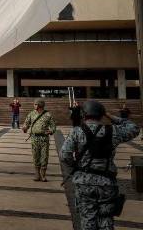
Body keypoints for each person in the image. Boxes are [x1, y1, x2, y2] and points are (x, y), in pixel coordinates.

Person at [60, 100, 140, 230]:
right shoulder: (113, 130)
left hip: (84, 182)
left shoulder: (77, 131)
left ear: (83, 114)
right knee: (106, 218)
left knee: (87, 218)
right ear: (101, 114)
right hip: (107, 182)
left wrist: (76, 165)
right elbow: (134, 128)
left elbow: (64, 155)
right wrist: (110, 116)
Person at [22, 98, 56, 182]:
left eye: (35, 104)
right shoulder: (31, 114)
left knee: (44, 157)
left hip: (44, 139)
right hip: (34, 138)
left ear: (40, 105)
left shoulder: (48, 114)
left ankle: (43, 175)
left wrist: (51, 131)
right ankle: (37, 174)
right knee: (35, 156)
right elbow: (26, 123)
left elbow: (53, 126)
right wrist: (25, 128)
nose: (34, 105)